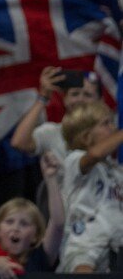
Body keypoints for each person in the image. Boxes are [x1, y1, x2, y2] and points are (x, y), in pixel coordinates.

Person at [55, 100, 123, 272]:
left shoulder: (115, 170)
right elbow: (94, 154)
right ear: (86, 137)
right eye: (105, 124)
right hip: (83, 245)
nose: (113, 128)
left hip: (114, 247)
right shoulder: (74, 160)